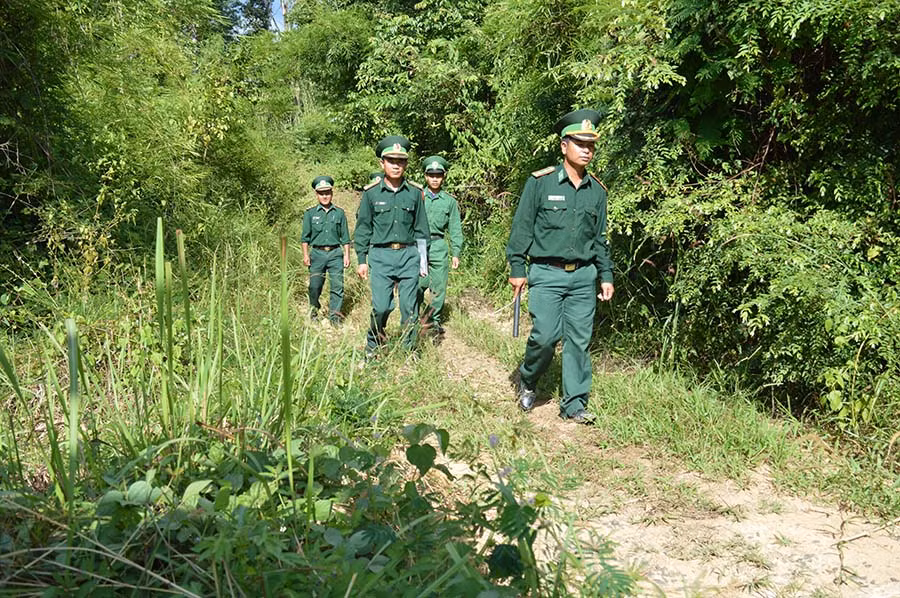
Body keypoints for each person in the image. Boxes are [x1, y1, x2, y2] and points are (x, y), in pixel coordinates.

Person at [505, 109, 615, 424]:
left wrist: (605, 275)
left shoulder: (598, 191)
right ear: (564, 145)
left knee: (579, 341)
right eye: (579, 143)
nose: (586, 150)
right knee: (545, 336)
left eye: (591, 145)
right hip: (546, 273)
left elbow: (600, 239)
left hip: (583, 276)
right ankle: (528, 379)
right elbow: (522, 229)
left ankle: (574, 404)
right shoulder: (540, 183)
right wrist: (517, 267)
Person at [355, 135, 430, 357]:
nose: (396, 165)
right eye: (391, 161)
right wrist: (361, 260)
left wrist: (423, 262)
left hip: (408, 255)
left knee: (410, 308)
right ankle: (373, 344)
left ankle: (409, 350)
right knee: (382, 307)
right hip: (381, 256)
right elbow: (363, 229)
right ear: (382, 163)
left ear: (406, 164)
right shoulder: (371, 193)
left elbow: (421, 229)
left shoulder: (416, 193)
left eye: (400, 161)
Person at [417, 155, 463, 336]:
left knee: (439, 287)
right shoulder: (418, 196)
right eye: (431, 175)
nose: (435, 179)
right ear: (426, 176)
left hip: (438, 245)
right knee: (418, 285)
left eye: (438, 175)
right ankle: (416, 317)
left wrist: (456, 252)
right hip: (418, 245)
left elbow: (455, 228)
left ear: (443, 177)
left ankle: (432, 322)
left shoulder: (449, 201)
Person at [301, 175, 351, 325]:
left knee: (337, 286)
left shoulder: (340, 213)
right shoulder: (310, 214)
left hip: (336, 254)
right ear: (317, 194)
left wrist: (347, 255)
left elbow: (346, 237)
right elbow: (305, 238)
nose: (325, 196)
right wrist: (305, 255)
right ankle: (314, 312)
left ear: (332, 193)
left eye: (327, 193)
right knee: (315, 286)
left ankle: (334, 318)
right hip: (317, 254)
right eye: (321, 193)